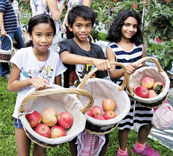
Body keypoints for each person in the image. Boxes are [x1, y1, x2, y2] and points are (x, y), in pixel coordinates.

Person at [7, 14, 67, 156]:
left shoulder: (55, 57)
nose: (44, 40)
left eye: (49, 35)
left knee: (40, 152)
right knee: (23, 154)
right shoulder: (22, 55)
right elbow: (10, 86)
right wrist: (30, 81)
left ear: (54, 35)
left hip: (45, 113)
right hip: (23, 113)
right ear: (30, 35)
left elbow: (58, 89)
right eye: (38, 35)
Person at [105, 10, 160, 156]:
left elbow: (142, 69)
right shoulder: (112, 48)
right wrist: (125, 70)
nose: (131, 29)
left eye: (134, 26)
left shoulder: (140, 45)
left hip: (141, 90)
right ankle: (122, 151)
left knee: (147, 118)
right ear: (119, 25)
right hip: (124, 91)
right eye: (127, 25)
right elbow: (112, 75)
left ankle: (140, 146)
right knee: (125, 123)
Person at [59, 6, 111, 156]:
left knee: (102, 134)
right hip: (73, 99)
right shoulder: (67, 44)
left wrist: (101, 61)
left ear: (92, 27)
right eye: (78, 25)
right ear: (70, 26)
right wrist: (93, 60)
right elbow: (65, 57)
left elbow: (102, 79)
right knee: (75, 132)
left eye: (87, 26)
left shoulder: (97, 50)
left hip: (93, 100)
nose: (83, 30)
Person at [0, 0, 18, 79]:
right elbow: (0, 15)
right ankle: (4, 72)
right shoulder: (2, 1)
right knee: (5, 52)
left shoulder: (7, 1)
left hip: (12, 29)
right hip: (7, 30)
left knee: (8, 50)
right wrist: (2, 29)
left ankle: (2, 70)